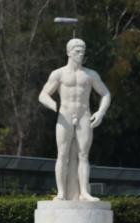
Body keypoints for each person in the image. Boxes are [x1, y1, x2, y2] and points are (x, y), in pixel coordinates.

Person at [38, 38, 111, 201]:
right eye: (77, 50)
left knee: (83, 155)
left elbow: (106, 93)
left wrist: (100, 112)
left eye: (83, 51)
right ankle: (61, 192)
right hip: (64, 116)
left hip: (84, 115)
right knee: (62, 154)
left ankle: (84, 191)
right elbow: (43, 94)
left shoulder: (90, 75)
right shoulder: (59, 73)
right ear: (69, 52)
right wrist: (52, 104)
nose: (81, 53)